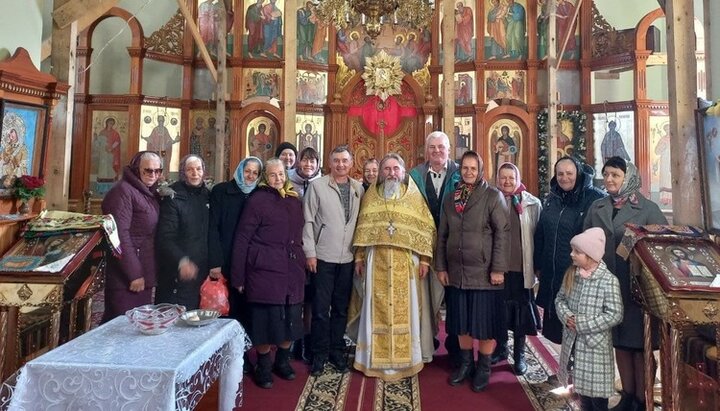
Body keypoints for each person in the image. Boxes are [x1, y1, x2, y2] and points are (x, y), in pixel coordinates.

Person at [583, 157, 667, 410]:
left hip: (637, 290)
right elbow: (585, 242)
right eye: (606, 174)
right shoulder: (597, 206)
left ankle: (643, 400)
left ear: (628, 177)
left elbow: (661, 248)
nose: (609, 179)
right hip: (606, 289)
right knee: (619, 342)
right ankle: (628, 395)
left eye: (615, 175)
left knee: (640, 346)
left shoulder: (648, 209)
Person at [352, 153, 436, 381]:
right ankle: (371, 360)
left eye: (395, 168)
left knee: (407, 310)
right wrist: (359, 257)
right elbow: (362, 227)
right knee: (373, 307)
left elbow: (426, 227)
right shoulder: (371, 196)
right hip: (376, 260)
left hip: (406, 265)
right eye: (387, 169)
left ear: (403, 171)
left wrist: (425, 260)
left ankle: (407, 359)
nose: (391, 173)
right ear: (381, 173)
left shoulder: (413, 196)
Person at [435, 151, 510, 392]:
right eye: (464, 168)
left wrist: (498, 268)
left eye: (473, 168)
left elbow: (502, 233)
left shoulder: (492, 196)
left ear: (480, 171)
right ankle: (466, 364)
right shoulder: (450, 198)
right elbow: (442, 234)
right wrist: (441, 266)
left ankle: (484, 367)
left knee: (485, 323)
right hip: (457, 272)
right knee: (462, 322)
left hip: (485, 272)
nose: (468, 172)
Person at [231, 158, 305, 389]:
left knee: (290, 318)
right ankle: (264, 365)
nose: (278, 179)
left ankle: (282, 362)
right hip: (263, 270)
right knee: (264, 320)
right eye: (273, 175)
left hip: (291, 269)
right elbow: (243, 238)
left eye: (281, 174)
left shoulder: (294, 200)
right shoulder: (257, 200)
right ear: (265, 177)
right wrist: (238, 276)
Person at [303, 145, 364, 376]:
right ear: (330, 163)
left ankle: (336, 351)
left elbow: (360, 224)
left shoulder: (358, 188)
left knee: (341, 309)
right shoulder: (318, 186)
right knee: (320, 309)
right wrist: (310, 252)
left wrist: (358, 256)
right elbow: (308, 220)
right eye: (336, 160)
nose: (340, 165)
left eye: (345, 161)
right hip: (322, 257)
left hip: (347, 258)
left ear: (351, 164)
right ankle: (319, 354)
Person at [534, 156, 605, 345]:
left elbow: (600, 238)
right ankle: (564, 370)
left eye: (569, 173)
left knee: (576, 324)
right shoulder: (553, 198)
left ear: (578, 173)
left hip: (579, 273)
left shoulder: (595, 198)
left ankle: (576, 371)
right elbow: (541, 232)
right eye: (560, 174)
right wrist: (538, 264)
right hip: (551, 269)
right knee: (557, 327)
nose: (564, 178)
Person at [556, 227, 623, 411]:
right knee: (583, 395)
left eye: (577, 251)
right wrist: (567, 316)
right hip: (574, 344)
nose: (572, 254)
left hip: (595, 347)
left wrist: (582, 324)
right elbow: (560, 299)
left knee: (598, 399)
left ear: (591, 255)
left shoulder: (608, 281)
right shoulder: (572, 274)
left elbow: (615, 314)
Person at [409, 131, 461, 366]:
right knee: (427, 296)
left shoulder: (462, 174)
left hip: (456, 246)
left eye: (441, 147)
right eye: (433, 148)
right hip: (424, 246)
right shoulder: (414, 176)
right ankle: (428, 341)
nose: (437, 151)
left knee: (455, 297)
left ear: (449, 150)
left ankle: (456, 346)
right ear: (426, 150)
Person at [208, 156, 262, 373]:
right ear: (239, 170)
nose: (249, 176)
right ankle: (225, 355)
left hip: (251, 263)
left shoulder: (259, 194)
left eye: (254, 173)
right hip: (227, 259)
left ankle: (244, 354)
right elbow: (213, 228)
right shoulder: (222, 191)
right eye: (247, 171)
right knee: (226, 310)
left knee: (246, 309)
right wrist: (215, 262)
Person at [100, 151, 162, 322]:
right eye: (148, 170)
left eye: (158, 171)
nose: (153, 175)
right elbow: (119, 235)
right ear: (136, 170)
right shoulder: (122, 191)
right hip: (127, 277)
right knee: (121, 327)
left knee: (138, 326)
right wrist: (134, 273)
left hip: (144, 271)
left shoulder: (146, 191)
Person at [494, 162, 542, 375]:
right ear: (497, 179)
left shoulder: (532, 203)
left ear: (518, 179)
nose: (507, 182)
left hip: (522, 268)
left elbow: (538, 236)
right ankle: (502, 347)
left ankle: (520, 354)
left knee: (521, 313)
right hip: (498, 268)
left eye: (511, 178)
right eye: (503, 178)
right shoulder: (491, 200)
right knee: (500, 311)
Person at [155, 154, 210, 310]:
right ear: (182, 172)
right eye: (190, 169)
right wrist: (182, 261)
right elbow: (165, 237)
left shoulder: (207, 195)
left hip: (201, 268)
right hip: (178, 270)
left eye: (198, 169)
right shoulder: (173, 196)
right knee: (176, 319)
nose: (195, 173)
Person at [287, 146, 321, 361]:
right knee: (293, 298)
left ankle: (307, 339)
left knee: (311, 298)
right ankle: (292, 339)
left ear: (318, 164)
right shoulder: (288, 182)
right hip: (291, 247)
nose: (308, 165)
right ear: (298, 162)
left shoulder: (323, 183)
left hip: (316, 248)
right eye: (305, 161)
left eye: (312, 161)